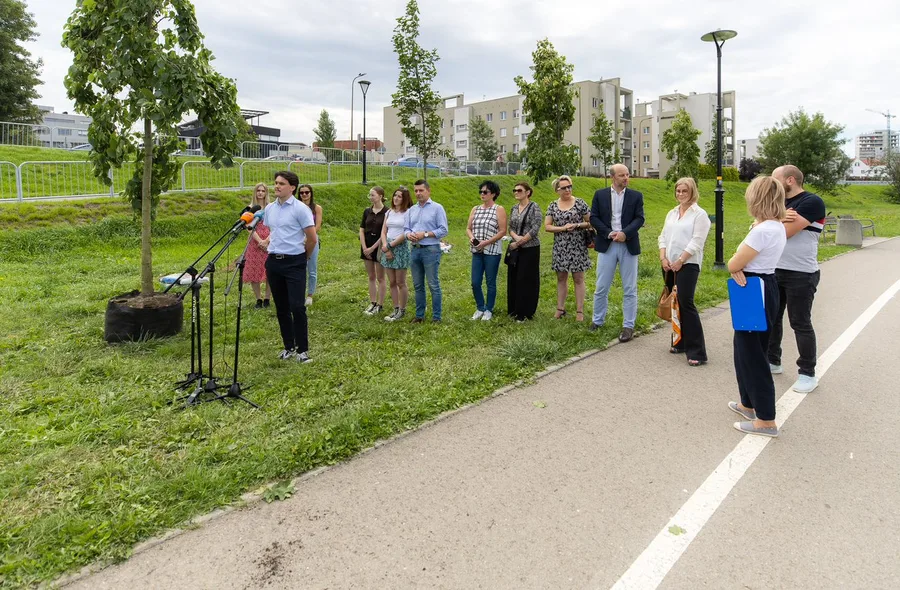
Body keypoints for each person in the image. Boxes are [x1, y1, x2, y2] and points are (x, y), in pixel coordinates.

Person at [727, 176, 787, 437]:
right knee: (744, 348)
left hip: (754, 289)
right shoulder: (774, 226)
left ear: (756, 199)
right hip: (764, 285)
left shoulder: (763, 230)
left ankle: (766, 419)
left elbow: (733, 263)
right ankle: (748, 403)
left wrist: (733, 265)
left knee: (751, 353)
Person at [767, 165, 827, 394]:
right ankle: (773, 361)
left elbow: (785, 232)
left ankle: (807, 373)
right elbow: (756, 228)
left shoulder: (811, 202)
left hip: (801, 273)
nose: (772, 184)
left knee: (800, 322)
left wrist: (773, 220)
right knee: (772, 319)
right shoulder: (779, 206)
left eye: (776, 179)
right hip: (775, 270)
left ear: (790, 180)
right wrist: (778, 217)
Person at [263, 171, 317, 363]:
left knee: (297, 306)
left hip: (295, 261)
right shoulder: (270, 208)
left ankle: (303, 351)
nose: (277, 186)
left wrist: (304, 257)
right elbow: (274, 231)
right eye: (276, 182)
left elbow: (312, 238)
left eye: (281, 183)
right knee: (282, 308)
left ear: (292, 187)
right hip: (273, 261)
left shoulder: (300, 209)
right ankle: (289, 347)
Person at [657, 177, 711, 366]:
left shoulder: (699, 214)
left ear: (692, 192)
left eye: (684, 191)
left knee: (686, 303)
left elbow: (697, 241)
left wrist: (681, 260)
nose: (680, 194)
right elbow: (662, 236)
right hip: (669, 264)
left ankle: (697, 350)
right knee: (675, 305)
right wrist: (664, 258)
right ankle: (679, 342)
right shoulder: (672, 213)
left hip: (688, 264)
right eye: (678, 191)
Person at [590, 164, 645, 342]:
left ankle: (628, 326)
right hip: (607, 244)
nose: (626, 178)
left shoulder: (636, 196)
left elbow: (640, 218)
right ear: (613, 177)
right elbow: (594, 218)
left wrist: (625, 233)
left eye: (627, 175)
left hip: (628, 244)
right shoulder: (600, 195)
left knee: (629, 287)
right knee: (601, 286)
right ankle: (597, 321)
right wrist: (608, 232)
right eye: (622, 175)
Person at [545, 175, 592, 321]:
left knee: (578, 278)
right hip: (560, 246)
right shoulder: (553, 205)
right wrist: (563, 228)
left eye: (569, 186)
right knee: (561, 278)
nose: (568, 189)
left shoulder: (580, 203)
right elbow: (547, 226)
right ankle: (560, 308)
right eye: (564, 188)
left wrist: (577, 225)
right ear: (557, 190)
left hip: (577, 246)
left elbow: (591, 222)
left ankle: (579, 311)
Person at [404, 179, 449, 323]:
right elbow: (406, 229)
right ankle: (419, 316)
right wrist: (408, 235)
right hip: (415, 250)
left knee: (433, 284)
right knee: (417, 285)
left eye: (421, 190)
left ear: (428, 191)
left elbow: (443, 230)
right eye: (416, 191)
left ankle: (436, 317)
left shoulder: (437, 208)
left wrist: (424, 234)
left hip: (431, 250)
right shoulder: (412, 210)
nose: (418, 193)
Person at [466, 180, 507, 321]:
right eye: (481, 191)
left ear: (493, 194)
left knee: (490, 282)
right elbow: (468, 228)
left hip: (492, 251)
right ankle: (480, 307)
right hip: (477, 250)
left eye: (485, 192)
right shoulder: (475, 209)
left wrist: (486, 242)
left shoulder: (498, 209)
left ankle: (489, 309)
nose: (482, 194)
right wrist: (472, 238)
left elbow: (502, 231)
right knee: (475, 282)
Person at [506, 181, 542, 321]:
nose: (516, 192)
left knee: (526, 279)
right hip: (515, 247)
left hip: (530, 248)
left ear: (527, 192)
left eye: (519, 190)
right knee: (514, 277)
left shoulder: (534, 207)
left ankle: (525, 311)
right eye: (514, 190)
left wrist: (521, 241)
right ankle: (513, 309)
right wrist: (515, 239)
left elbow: (536, 227)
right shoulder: (514, 208)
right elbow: (510, 227)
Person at [379, 186, 413, 321]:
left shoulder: (408, 213)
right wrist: (385, 247)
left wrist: (391, 246)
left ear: (405, 199)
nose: (396, 198)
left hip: (400, 247)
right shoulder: (389, 212)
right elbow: (383, 231)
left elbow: (406, 233)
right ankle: (395, 307)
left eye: (400, 196)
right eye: (395, 195)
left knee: (400, 282)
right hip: (387, 246)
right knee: (391, 281)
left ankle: (402, 310)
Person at [359, 186, 387, 315]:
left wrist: (373, 248)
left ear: (380, 196)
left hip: (379, 246)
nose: (371, 197)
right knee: (371, 276)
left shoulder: (387, 212)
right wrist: (365, 247)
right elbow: (362, 229)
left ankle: (380, 304)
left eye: (373, 195)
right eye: (369, 195)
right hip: (366, 246)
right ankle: (372, 302)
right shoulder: (367, 211)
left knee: (381, 277)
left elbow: (384, 232)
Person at [243, 182, 271, 309]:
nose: (260, 193)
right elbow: (248, 228)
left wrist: (267, 241)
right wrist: (259, 240)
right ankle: (258, 299)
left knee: (269, 271)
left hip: (269, 240)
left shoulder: (271, 207)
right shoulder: (250, 208)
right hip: (254, 241)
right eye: (258, 190)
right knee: (254, 270)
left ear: (266, 193)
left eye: (263, 191)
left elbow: (276, 226)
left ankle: (267, 298)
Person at [298, 184, 322, 307]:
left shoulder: (316, 208)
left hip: (311, 239)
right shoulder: (296, 207)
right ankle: (299, 293)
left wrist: (309, 236)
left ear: (311, 193)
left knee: (312, 268)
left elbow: (317, 225)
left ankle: (310, 294)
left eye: (307, 192)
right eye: (302, 193)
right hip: (297, 240)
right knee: (299, 268)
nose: (304, 195)